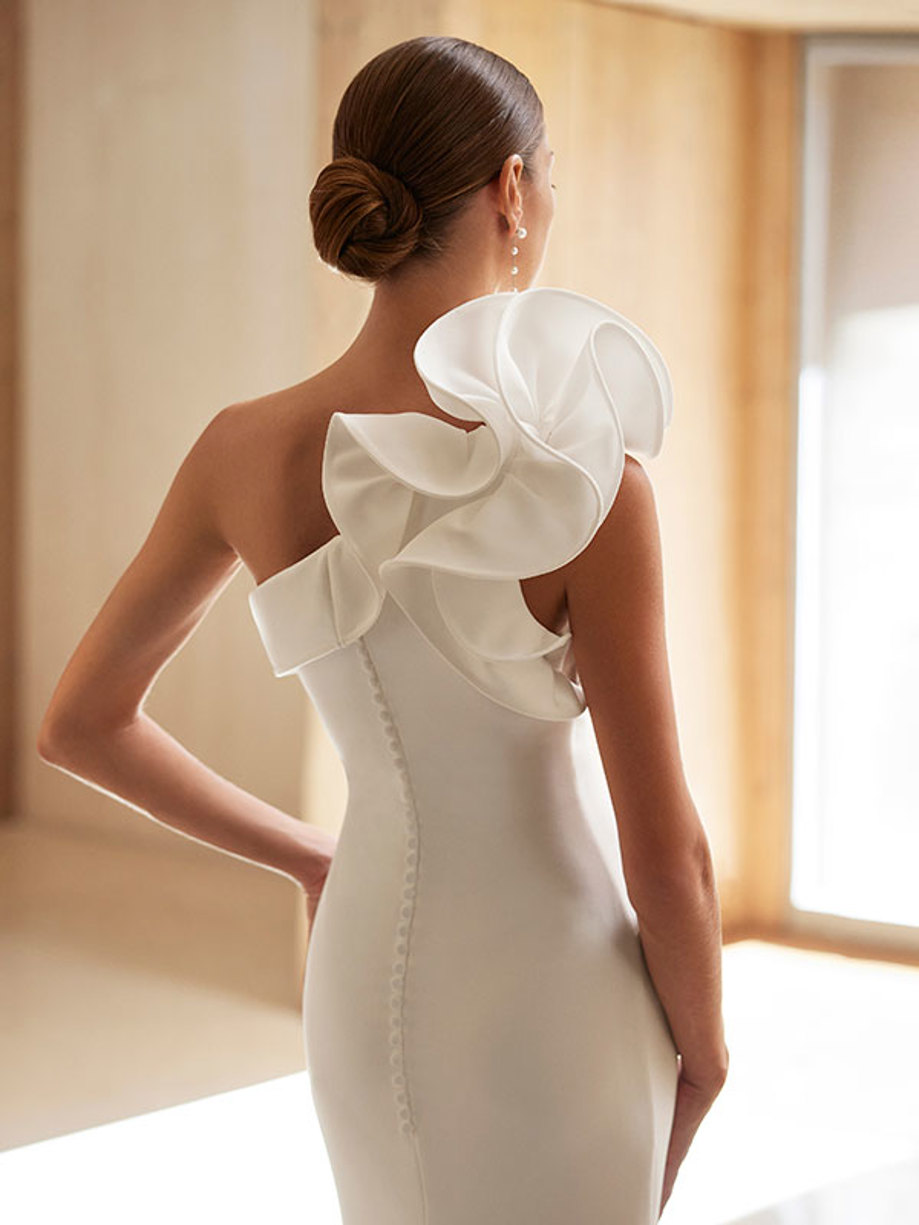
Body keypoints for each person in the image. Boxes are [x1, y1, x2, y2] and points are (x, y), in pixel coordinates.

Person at [37, 33, 728, 1225]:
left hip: (361, 978)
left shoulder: (238, 449)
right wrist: (705, 1047)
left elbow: (81, 725)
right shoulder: (590, 479)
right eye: (548, 173)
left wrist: (315, 855)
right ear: (512, 190)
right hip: (548, 987)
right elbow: (664, 849)